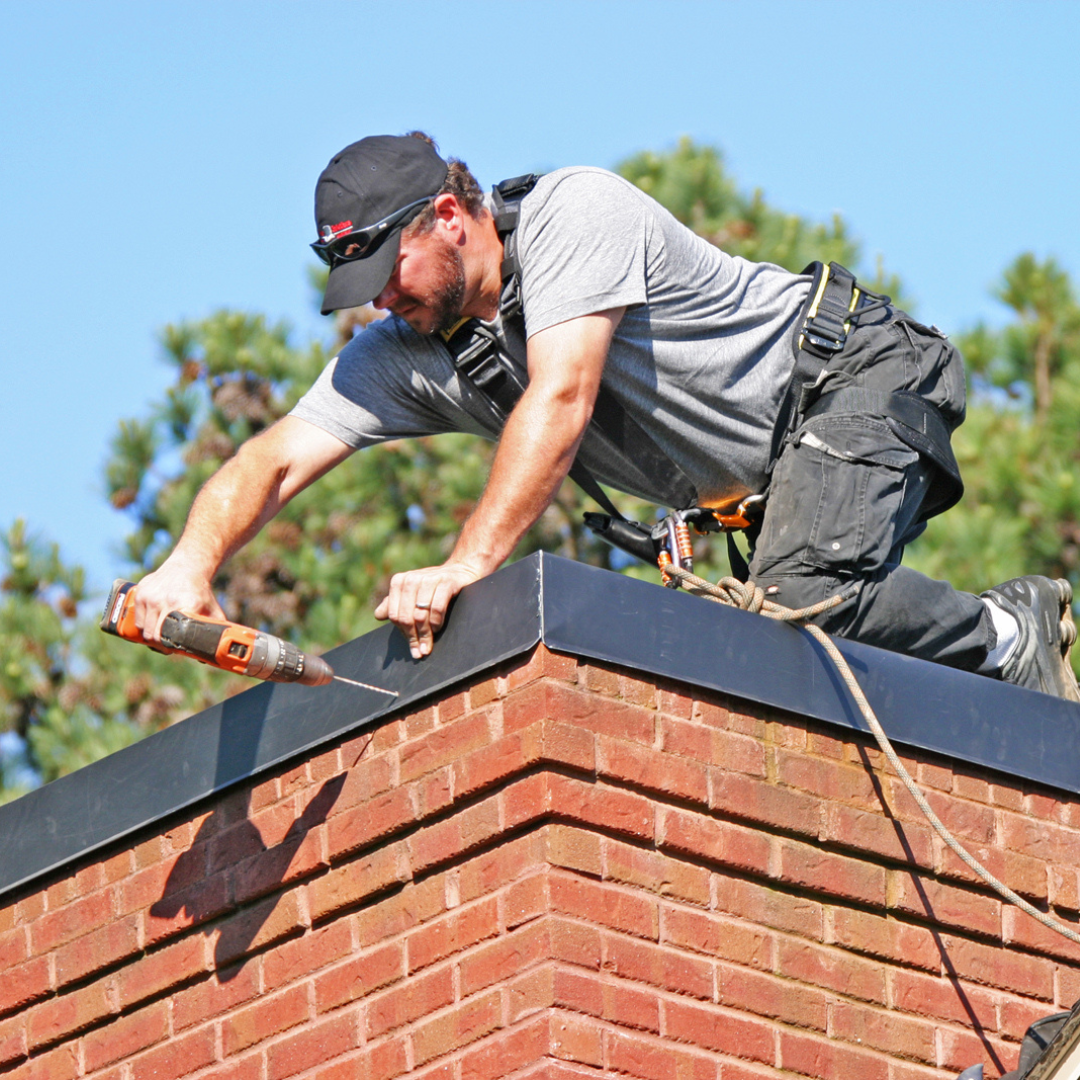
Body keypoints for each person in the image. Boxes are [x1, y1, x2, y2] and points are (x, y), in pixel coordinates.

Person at [133, 132, 1080, 702]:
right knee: (787, 656)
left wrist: (465, 565)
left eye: (390, 273)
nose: (381, 303)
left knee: (796, 599)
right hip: (780, 478)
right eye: (361, 289)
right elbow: (275, 457)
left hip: (862, 376)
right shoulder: (409, 349)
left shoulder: (573, 215)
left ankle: (1012, 633)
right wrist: (188, 566)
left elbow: (562, 397)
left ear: (450, 215)